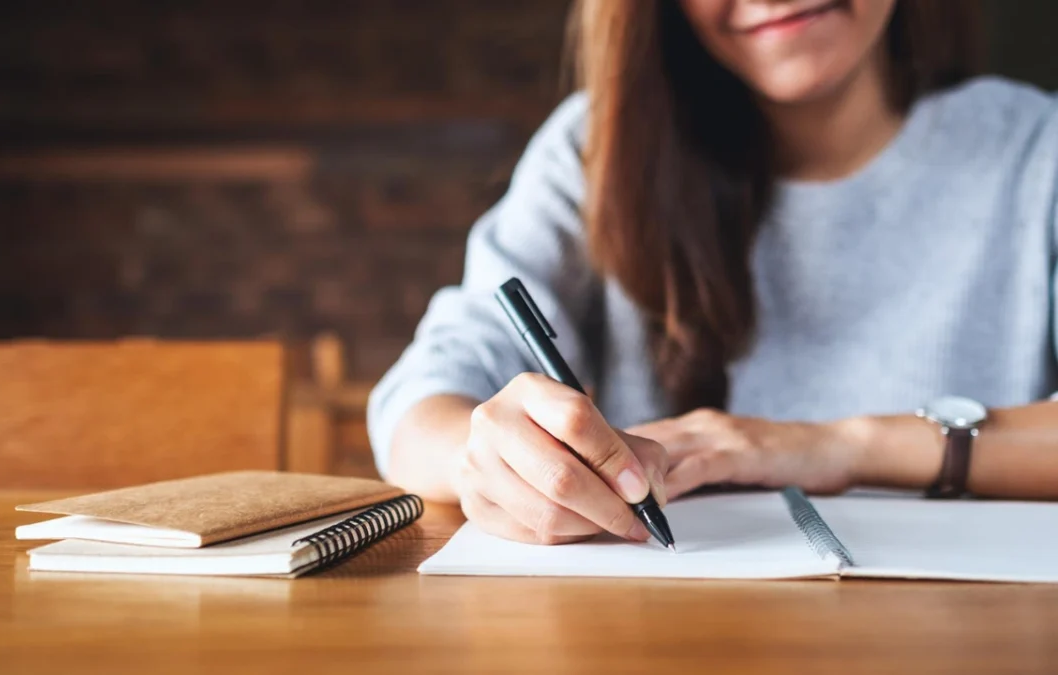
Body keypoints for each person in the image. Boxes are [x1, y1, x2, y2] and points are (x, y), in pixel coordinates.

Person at [368, 0, 1058, 545]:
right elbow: (419, 398)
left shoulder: (1038, 151)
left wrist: (837, 446)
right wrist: (486, 454)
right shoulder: (595, 148)